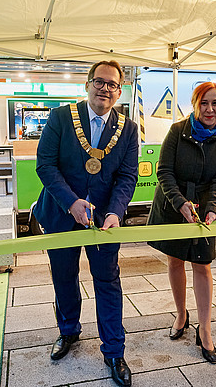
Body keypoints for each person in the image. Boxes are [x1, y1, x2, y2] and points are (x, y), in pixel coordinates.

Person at [33, 60, 138, 387]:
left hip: (104, 220)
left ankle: (114, 350)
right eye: (99, 82)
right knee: (64, 276)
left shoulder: (128, 127)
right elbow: (45, 165)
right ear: (87, 83)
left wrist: (115, 212)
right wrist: (71, 202)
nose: (105, 88)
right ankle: (68, 331)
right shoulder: (61, 117)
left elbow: (127, 176)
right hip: (61, 214)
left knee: (107, 280)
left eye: (112, 84)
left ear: (120, 91)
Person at [147, 82, 216, 364]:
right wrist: (180, 202)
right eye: (204, 103)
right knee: (175, 261)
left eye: (215, 103)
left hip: (204, 207)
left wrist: (214, 209)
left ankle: (206, 328)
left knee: (203, 265)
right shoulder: (177, 130)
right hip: (173, 204)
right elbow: (164, 171)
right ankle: (181, 315)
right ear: (195, 105)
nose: (210, 109)